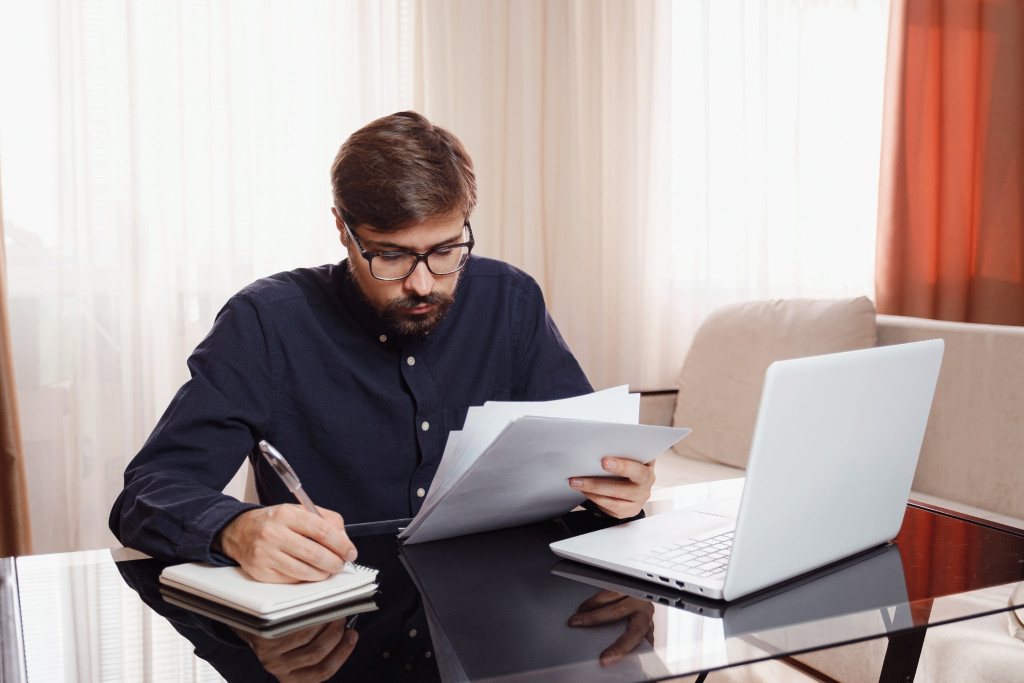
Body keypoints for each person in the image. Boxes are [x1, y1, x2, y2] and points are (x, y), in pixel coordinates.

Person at [109, 111, 655, 583]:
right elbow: (148, 492)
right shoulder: (265, 322)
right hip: (335, 631)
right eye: (391, 256)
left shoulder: (508, 299)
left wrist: (619, 489)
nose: (422, 283)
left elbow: (588, 456)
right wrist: (233, 528)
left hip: (505, 605)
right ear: (343, 230)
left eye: (445, 249)